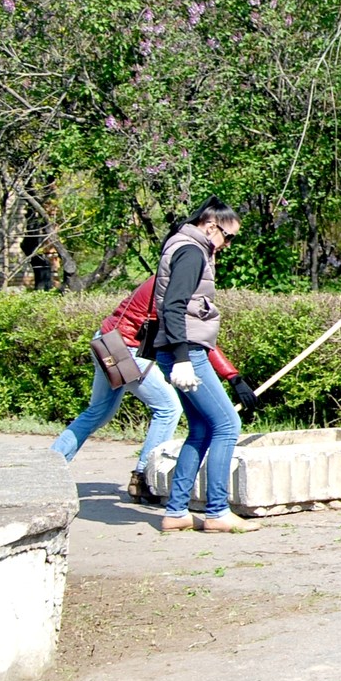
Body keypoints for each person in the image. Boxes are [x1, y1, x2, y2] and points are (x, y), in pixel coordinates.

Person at [153, 199, 248, 533]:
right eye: (228, 237)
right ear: (211, 226)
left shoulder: (184, 245)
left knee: (202, 429)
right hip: (187, 353)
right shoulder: (192, 251)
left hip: (183, 350)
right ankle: (217, 511)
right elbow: (174, 306)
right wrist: (181, 359)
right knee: (227, 425)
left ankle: (177, 511)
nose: (228, 244)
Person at [49, 276, 182, 502]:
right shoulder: (178, 279)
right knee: (168, 408)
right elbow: (179, 327)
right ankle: (144, 477)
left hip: (107, 341)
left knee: (97, 412)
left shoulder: (162, 275)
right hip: (125, 351)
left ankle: (48, 468)